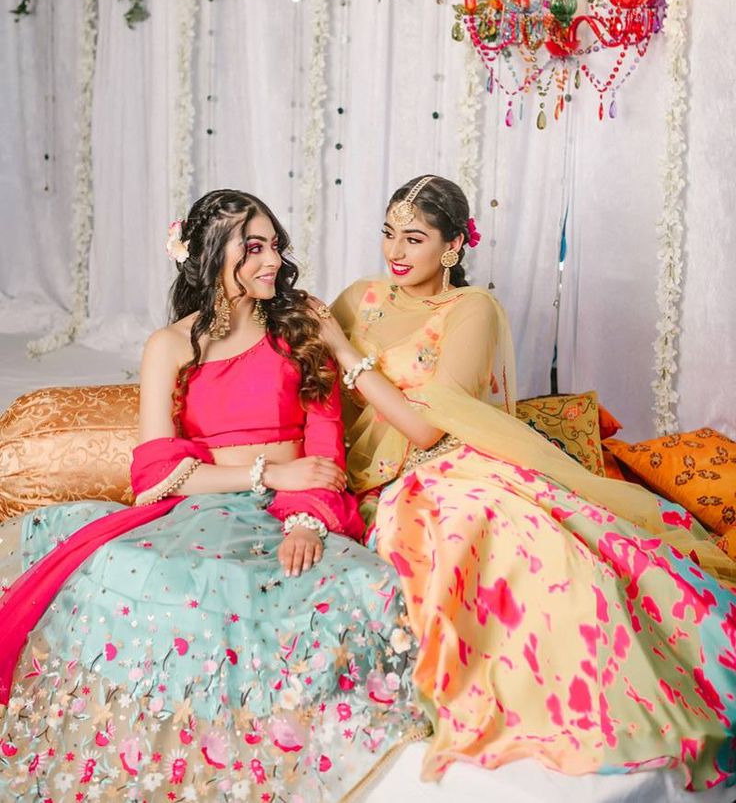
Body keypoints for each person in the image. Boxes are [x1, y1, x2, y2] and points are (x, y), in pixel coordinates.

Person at [0, 190, 426, 802]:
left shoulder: (300, 327)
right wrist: (268, 475)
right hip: (202, 508)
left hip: (299, 508)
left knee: (368, 588)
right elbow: (154, 478)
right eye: (253, 248)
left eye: (274, 245)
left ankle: (304, 752)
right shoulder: (170, 346)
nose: (272, 261)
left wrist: (307, 517)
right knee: (185, 586)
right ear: (207, 255)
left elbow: (325, 441)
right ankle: (196, 765)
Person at [315, 173, 736, 791]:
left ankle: (603, 691)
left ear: (452, 247)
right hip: (376, 477)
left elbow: (435, 422)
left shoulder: (471, 309)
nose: (395, 252)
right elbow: (320, 394)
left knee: (541, 540)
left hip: (453, 463)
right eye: (387, 235)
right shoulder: (357, 300)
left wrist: (344, 352)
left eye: (414, 238)